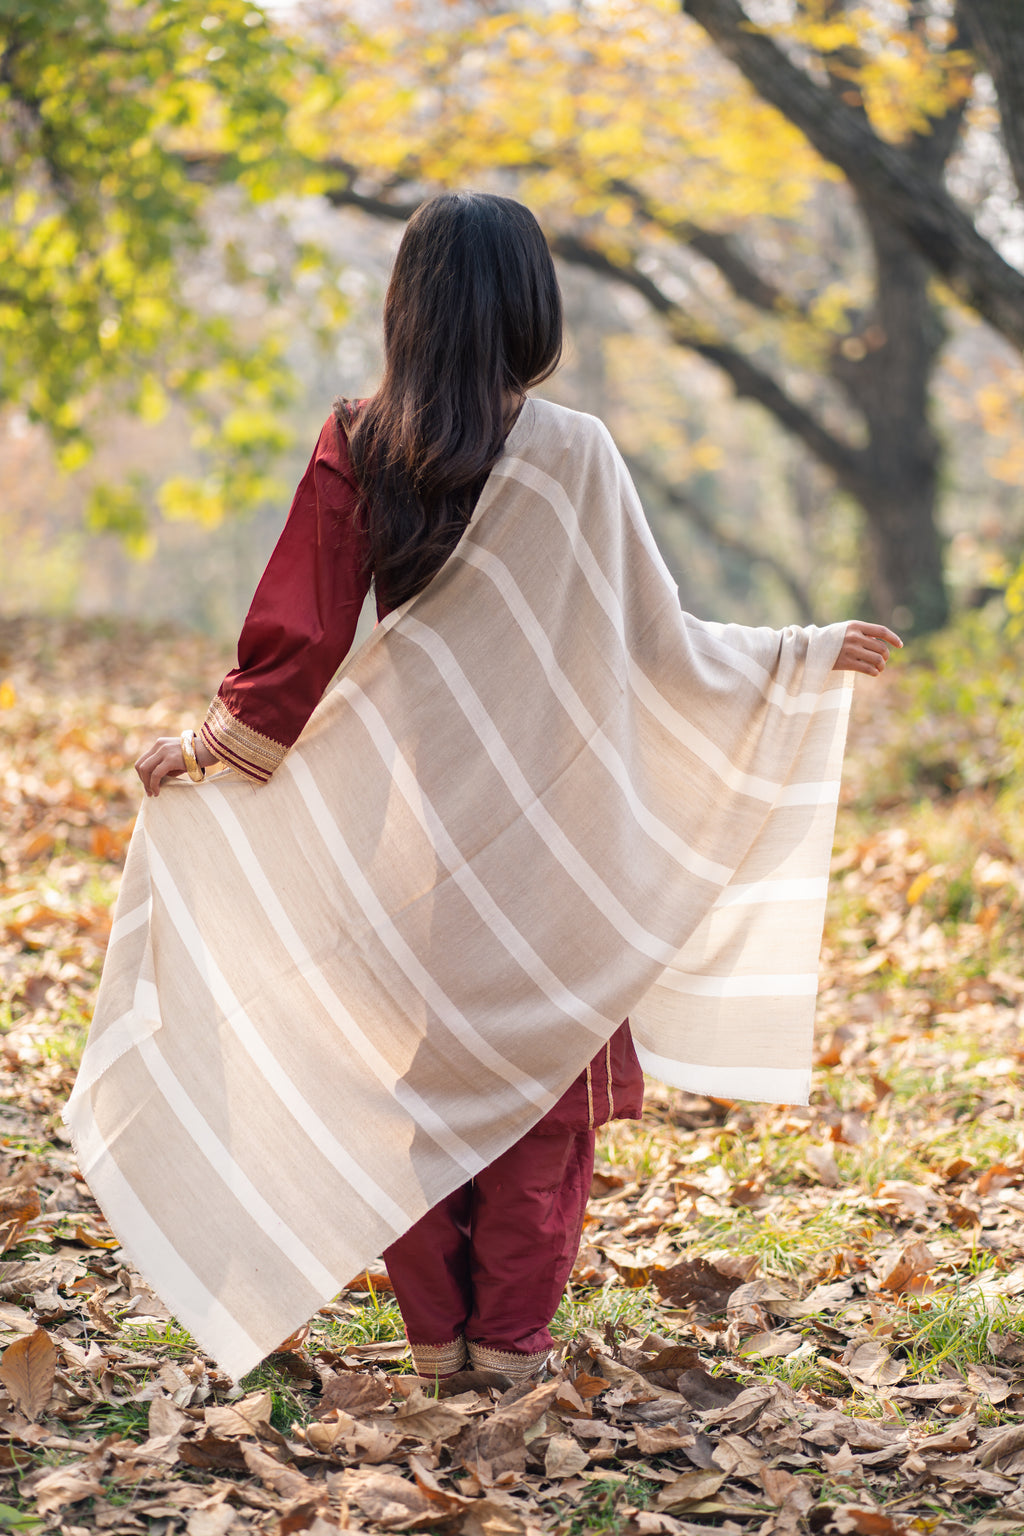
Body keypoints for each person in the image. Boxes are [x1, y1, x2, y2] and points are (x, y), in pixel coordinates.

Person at [130, 191, 900, 1384]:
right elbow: (660, 639)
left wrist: (211, 748)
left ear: (408, 304)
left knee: (418, 1093)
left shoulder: (358, 440)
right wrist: (793, 655)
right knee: (543, 1103)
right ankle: (511, 1348)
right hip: (558, 835)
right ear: (529, 307)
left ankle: (437, 1346)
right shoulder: (573, 449)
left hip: (408, 830)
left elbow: (298, 642)